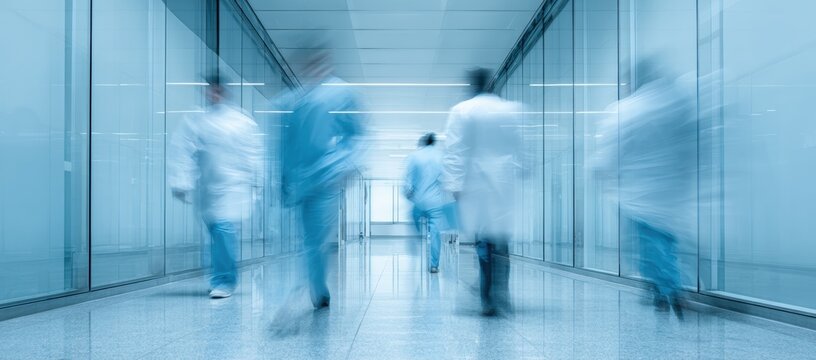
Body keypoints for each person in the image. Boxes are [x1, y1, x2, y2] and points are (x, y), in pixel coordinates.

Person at [593, 57, 695, 320]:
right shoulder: (675, 107)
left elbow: (609, 155)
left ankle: (667, 289)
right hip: (670, 192)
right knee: (665, 242)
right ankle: (665, 287)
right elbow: (689, 147)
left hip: (636, 193)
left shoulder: (624, 110)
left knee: (645, 244)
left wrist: (604, 176)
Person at [278, 50, 365, 309]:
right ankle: (316, 287)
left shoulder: (340, 94)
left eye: (318, 66)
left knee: (315, 239)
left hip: (328, 179)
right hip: (302, 182)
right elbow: (286, 145)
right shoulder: (295, 101)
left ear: (326, 67)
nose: (313, 71)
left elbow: (357, 134)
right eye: (308, 67)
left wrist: (347, 167)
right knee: (309, 239)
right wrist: (284, 179)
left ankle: (313, 289)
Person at [168, 74, 263, 299]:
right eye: (210, 90)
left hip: (233, 189)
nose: (213, 95)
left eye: (217, 91)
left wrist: (256, 183)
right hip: (208, 190)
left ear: (225, 92)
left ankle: (224, 281)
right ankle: (218, 277)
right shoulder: (196, 120)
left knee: (223, 232)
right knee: (214, 235)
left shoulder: (241, 122)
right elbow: (182, 150)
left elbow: (254, 154)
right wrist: (181, 181)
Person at [443, 68, 524, 316]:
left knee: (484, 241)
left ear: (472, 86)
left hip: (476, 185)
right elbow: (521, 145)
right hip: (503, 185)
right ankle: (501, 291)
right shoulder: (511, 110)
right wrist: (522, 170)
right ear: (492, 85)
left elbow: (455, 151)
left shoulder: (462, 111)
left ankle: (487, 296)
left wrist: (454, 186)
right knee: (501, 241)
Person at [403, 132, 455, 274]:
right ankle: (434, 265)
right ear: (434, 142)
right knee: (435, 234)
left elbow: (408, 182)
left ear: (423, 142)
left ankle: (415, 243)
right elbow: (446, 180)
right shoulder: (441, 156)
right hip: (436, 203)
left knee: (413, 220)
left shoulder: (414, 156)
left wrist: (409, 195)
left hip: (419, 201)